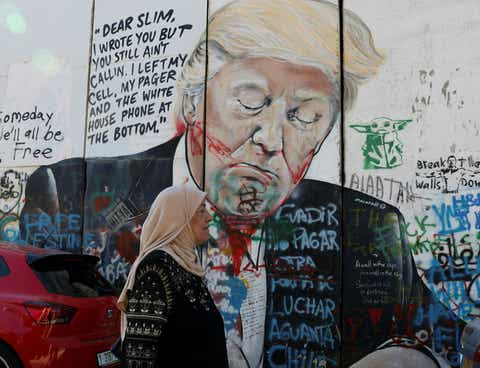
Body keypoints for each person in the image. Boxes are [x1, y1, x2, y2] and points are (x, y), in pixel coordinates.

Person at [17, 0, 464, 367]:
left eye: (305, 115)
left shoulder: (367, 225)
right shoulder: (68, 193)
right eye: (251, 102)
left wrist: (412, 357)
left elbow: (446, 337)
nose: (270, 139)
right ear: (193, 101)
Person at [116, 183, 228, 367]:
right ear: (178, 219)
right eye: (200, 211)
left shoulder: (186, 266)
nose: (209, 217)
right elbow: (140, 355)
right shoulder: (156, 269)